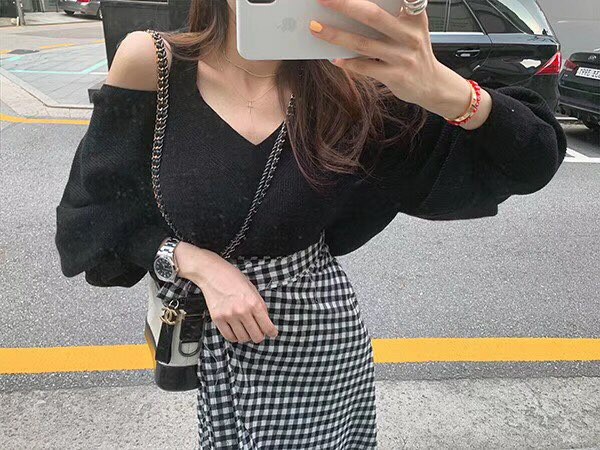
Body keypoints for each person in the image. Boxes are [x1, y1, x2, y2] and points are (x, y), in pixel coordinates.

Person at [54, 0, 567, 448]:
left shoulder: (352, 86)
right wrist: (195, 264)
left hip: (318, 345)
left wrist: (443, 89)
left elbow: (533, 160)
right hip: (212, 342)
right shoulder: (154, 63)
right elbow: (93, 216)